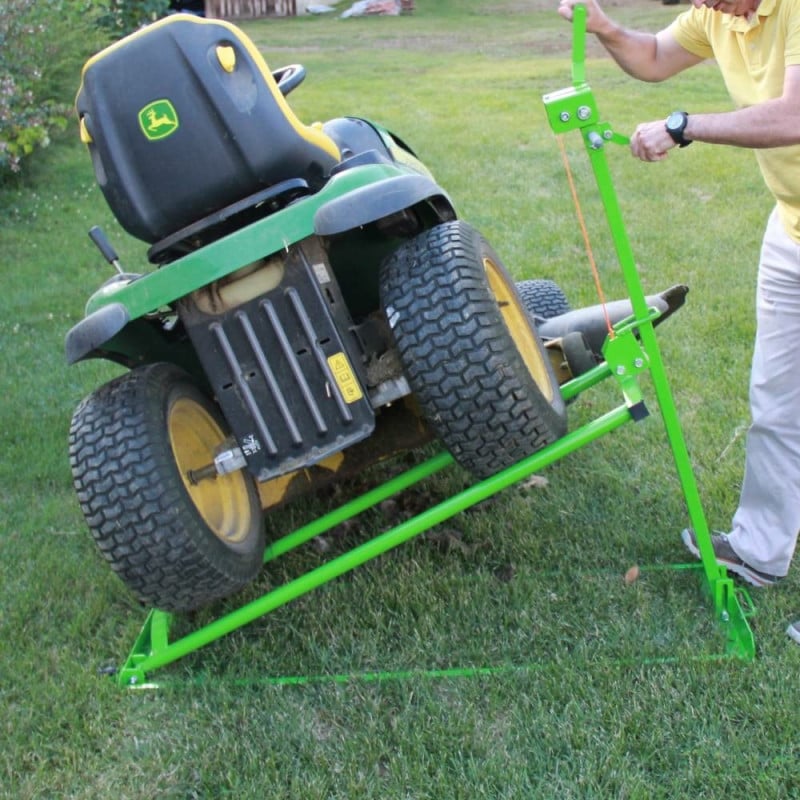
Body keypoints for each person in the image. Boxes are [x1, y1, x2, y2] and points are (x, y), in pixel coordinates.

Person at [557, 0, 800, 643]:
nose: (702, 4)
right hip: (792, 230)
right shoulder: (717, 15)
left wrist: (685, 125)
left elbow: (795, 115)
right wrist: (607, 28)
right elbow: (656, 57)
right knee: (775, 402)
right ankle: (758, 549)